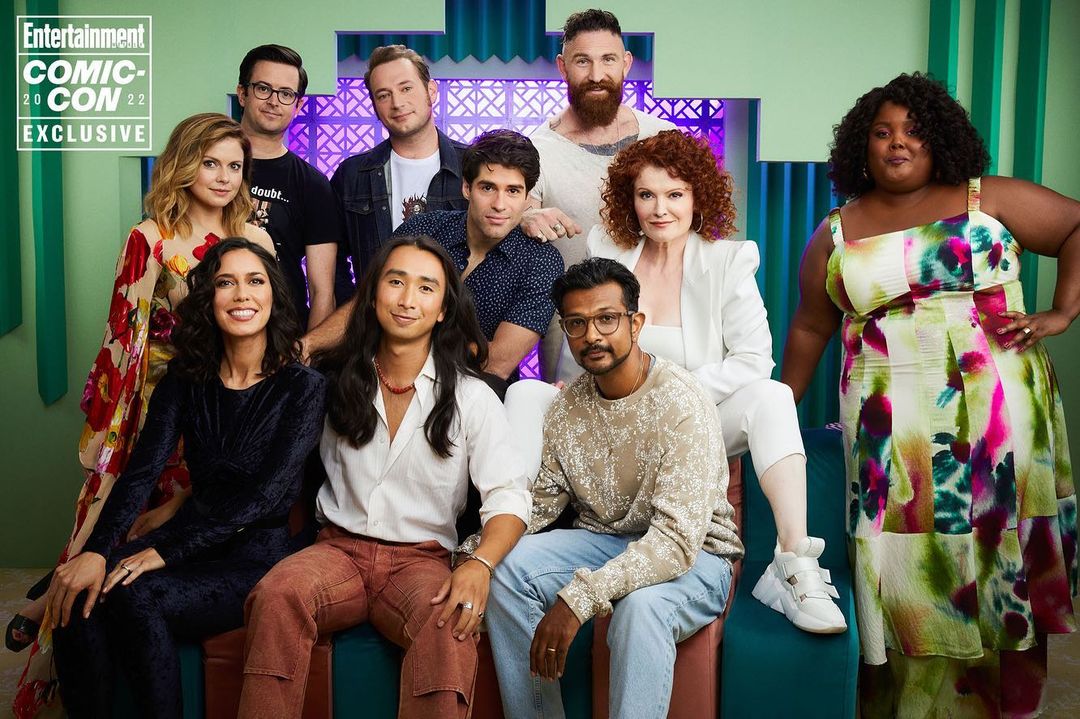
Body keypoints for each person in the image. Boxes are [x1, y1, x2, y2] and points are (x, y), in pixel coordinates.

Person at [783, 72, 1079, 717]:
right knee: (903, 559)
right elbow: (809, 326)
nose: (898, 142)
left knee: (995, 545)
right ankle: (908, 705)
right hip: (890, 426)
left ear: (939, 138)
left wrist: (1062, 312)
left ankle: (1000, 703)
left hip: (999, 414)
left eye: (913, 130)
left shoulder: (986, 198)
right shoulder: (836, 230)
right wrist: (776, 412)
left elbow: (1075, 227)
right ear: (860, 146)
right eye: (881, 132)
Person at [12, 112, 275, 718]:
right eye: (210, 163)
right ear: (183, 164)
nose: (224, 176)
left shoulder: (256, 239)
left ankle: (45, 600)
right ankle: (54, 620)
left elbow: (269, 324)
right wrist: (113, 440)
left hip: (224, 407)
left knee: (178, 535)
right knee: (112, 528)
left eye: (235, 166)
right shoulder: (151, 236)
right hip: (153, 407)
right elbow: (121, 342)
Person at [238, 236, 532, 719]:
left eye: (426, 288)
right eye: (396, 282)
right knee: (276, 595)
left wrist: (480, 565)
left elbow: (509, 497)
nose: (407, 299)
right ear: (373, 295)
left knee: (450, 623)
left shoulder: (472, 397)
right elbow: (265, 458)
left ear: (442, 309)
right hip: (336, 552)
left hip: (420, 562)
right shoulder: (331, 381)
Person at [45, 238, 326, 718]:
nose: (242, 294)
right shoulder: (184, 379)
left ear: (274, 296)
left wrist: (166, 552)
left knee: (134, 595)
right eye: (226, 282)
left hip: (256, 558)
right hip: (189, 535)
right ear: (208, 298)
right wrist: (97, 550)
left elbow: (265, 497)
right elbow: (141, 472)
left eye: (255, 281)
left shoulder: (304, 387)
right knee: (77, 590)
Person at [585, 129, 847, 634]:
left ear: (697, 197)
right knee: (530, 394)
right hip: (618, 427)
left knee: (772, 395)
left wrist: (669, 395)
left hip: (694, 426)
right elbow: (587, 339)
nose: (660, 209)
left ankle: (794, 563)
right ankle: (504, 549)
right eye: (646, 195)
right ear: (630, 201)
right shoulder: (606, 253)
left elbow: (754, 359)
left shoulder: (728, 260)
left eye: (675, 194)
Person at [486, 258, 743, 719]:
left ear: (635, 323)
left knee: (640, 609)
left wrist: (578, 600)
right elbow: (540, 507)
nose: (592, 336)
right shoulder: (567, 408)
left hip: (695, 555)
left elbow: (675, 542)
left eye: (606, 319)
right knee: (506, 569)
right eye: (577, 323)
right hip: (605, 542)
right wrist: (474, 555)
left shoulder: (681, 402)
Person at [523, 8, 675, 380]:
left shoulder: (663, 137)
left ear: (626, 64)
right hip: (575, 338)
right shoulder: (536, 149)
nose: (596, 75)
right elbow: (514, 215)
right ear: (562, 67)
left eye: (608, 59)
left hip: (661, 324)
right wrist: (524, 218)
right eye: (582, 61)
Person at [331, 44, 468, 290]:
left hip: (457, 313)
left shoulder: (473, 165)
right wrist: (355, 307)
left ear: (431, 91)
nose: (397, 103)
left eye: (406, 88)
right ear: (374, 105)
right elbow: (331, 260)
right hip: (374, 313)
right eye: (383, 95)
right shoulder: (352, 175)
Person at [237, 44, 342, 330]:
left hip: (283, 334)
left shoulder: (313, 184)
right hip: (207, 332)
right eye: (263, 89)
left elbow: (322, 292)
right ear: (242, 94)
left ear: (298, 105)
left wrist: (307, 351)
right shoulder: (206, 168)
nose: (274, 101)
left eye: (286, 94)